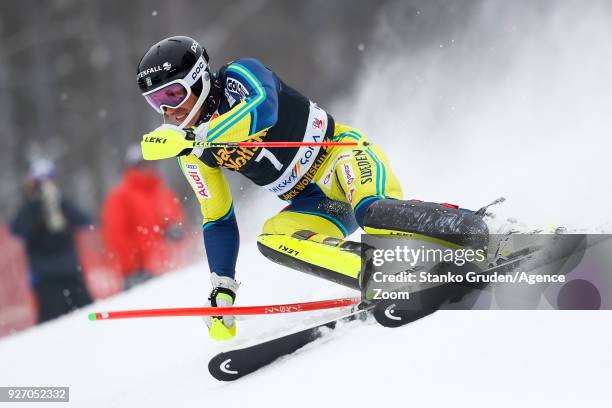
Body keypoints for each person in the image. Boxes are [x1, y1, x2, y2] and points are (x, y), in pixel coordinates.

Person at [136, 36, 488, 340]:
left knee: (372, 212)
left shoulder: (239, 77)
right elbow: (218, 218)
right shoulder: (191, 152)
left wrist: (196, 137)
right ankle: (377, 272)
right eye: (156, 102)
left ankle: (474, 228)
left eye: (172, 93)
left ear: (198, 79)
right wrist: (222, 286)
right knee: (272, 238)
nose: (168, 109)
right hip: (324, 205)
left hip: (342, 161)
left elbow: (264, 111)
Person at [10, 159, 92, 323]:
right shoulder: (29, 209)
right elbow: (17, 230)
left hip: (70, 272)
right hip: (46, 278)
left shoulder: (62, 205)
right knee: (53, 324)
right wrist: (35, 210)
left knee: (87, 317)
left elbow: (85, 220)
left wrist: (58, 204)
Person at [101, 144, 186, 290]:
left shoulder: (163, 192)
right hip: (139, 273)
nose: (149, 168)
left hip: (169, 268)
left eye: (151, 163)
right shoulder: (119, 196)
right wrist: (133, 268)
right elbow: (117, 237)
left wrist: (175, 229)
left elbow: (176, 220)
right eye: (143, 164)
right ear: (133, 167)